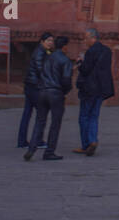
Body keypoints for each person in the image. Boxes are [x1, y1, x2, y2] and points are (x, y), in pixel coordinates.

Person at [24, 33, 72, 161]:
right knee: (55, 123)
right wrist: (65, 91)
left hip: (42, 91)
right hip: (55, 92)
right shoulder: (65, 60)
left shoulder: (47, 57)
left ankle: (31, 148)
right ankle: (49, 151)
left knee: (40, 121)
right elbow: (66, 80)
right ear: (65, 47)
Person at [73, 27, 114, 156]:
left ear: (93, 38)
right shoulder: (107, 51)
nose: (85, 41)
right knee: (94, 116)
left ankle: (87, 144)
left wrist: (80, 62)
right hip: (101, 89)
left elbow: (86, 69)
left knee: (84, 116)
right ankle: (93, 140)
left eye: (86, 38)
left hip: (89, 89)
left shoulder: (91, 51)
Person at [17, 33, 54, 148]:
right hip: (34, 86)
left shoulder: (43, 51)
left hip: (30, 85)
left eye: (52, 40)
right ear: (42, 41)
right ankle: (37, 140)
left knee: (27, 113)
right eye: (48, 40)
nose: (50, 42)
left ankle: (22, 141)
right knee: (41, 113)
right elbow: (40, 69)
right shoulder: (40, 52)